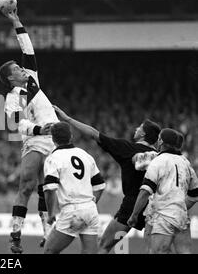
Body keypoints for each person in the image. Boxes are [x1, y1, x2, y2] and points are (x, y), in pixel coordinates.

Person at [53, 105, 161, 253]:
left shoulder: (127, 149)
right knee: (156, 250)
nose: (136, 128)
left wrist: (68, 119)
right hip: (156, 207)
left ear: (143, 134)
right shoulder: (160, 156)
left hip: (132, 207)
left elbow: (94, 134)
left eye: (139, 127)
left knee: (104, 245)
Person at [0, 8, 58, 253]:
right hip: (35, 141)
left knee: (47, 189)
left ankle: (47, 234)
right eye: (17, 70)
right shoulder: (13, 97)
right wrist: (38, 127)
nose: (23, 70)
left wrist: (16, 21)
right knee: (26, 186)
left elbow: (28, 50)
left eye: (21, 68)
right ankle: (15, 234)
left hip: (53, 141)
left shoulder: (32, 80)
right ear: (11, 79)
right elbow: (17, 123)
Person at [128, 128, 198, 254]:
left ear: (161, 141)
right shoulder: (186, 163)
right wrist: (178, 207)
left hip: (163, 216)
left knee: (156, 251)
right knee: (185, 252)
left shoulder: (158, 161)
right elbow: (194, 195)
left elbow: (145, 192)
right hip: (181, 216)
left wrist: (134, 214)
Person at [43, 122, 105, 254]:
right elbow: (100, 186)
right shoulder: (85, 155)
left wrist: (51, 214)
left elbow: (49, 189)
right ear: (71, 136)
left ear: (53, 139)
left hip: (72, 210)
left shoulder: (53, 159)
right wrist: (90, 205)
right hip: (90, 210)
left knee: (49, 251)